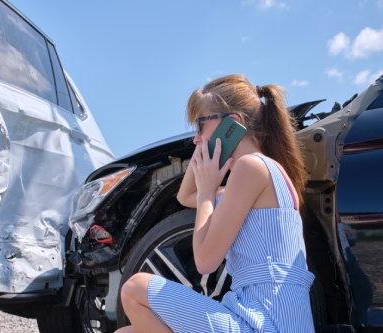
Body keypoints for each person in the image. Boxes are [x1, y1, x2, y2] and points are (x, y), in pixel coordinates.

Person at [116, 74, 315, 333]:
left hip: (263, 324)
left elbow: (205, 262)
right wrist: (205, 153)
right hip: (265, 320)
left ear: (231, 126)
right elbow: (186, 197)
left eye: (199, 126)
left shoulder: (251, 167)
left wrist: (208, 191)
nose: (195, 138)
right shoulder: (269, 173)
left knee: (135, 289)